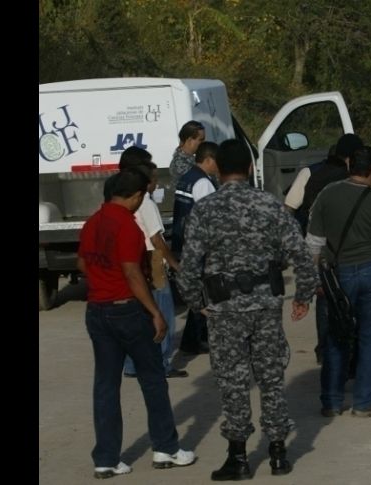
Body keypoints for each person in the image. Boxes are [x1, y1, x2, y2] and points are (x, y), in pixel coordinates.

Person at [177, 138, 318, 480]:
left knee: (233, 381)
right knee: (271, 377)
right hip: (265, 305)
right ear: (251, 168)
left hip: (225, 309)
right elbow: (301, 254)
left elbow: (189, 265)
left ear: (219, 169)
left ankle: (238, 458)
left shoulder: (206, 208)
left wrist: (197, 304)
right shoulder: (269, 205)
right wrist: (303, 295)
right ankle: (279, 453)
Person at [78, 169, 196, 479]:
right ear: (135, 196)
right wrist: (155, 311)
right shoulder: (128, 228)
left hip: (97, 310)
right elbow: (132, 273)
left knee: (105, 385)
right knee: (152, 378)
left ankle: (105, 459)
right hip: (127, 311)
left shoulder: (92, 223)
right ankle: (166, 448)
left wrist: (102, 282)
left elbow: (82, 263)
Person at [307, 145, 371, 418]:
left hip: (338, 274)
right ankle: (364, 402)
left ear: (349, 163)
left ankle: (331, 401)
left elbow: (313, 245)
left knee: (336, 335)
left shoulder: (327, 195)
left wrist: (313, 280)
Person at [284, 133, 363, 364]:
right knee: (350, 297)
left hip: (315, 245)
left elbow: (288, 208)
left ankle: (324, 348)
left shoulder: (309, 172)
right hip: (347, 248)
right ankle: (348, 351)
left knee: (324, 296)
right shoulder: (355, 177)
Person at [112, 147, 187, 378]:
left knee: (139, 317)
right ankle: (162, 363)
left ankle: (132, 365)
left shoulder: (117, 196)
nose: (155, 184)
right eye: (153, 179)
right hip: (152, 258)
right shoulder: (145, 202)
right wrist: (174, 263)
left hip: (134, 257)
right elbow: (156, 237)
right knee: (163, 311)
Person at [173, 141, 219, 355]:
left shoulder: (187, 178)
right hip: (198, 245)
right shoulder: (203, 183)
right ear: (208, 160)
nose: (217, 167)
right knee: (202, 294)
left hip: (183, 241)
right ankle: (193, 340)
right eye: (216, 163)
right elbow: (210, 218)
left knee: (196, 291)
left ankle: (193, 340)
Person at [168, 120, 205, 189]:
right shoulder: (180, 163)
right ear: (190, 140)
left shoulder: (190, 159)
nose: (204, 143)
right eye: (201, 140)